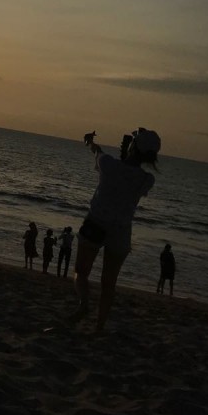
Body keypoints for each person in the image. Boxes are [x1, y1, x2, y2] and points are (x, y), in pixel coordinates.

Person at [70, 127, 160, 331]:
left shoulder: (108, 164)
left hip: (96, 222)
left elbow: (98, 152)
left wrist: (89, 142)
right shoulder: (147, 180)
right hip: (121, 231)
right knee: (108, 284)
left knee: (81, 272)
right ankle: (99, 327)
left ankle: (83, 304)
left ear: (132, 147)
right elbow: (127, 176)